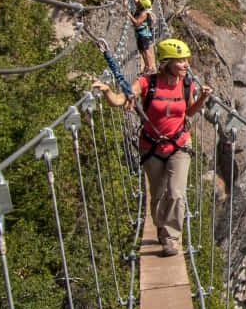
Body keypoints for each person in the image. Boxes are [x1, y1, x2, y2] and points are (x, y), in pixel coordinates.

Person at [91, 38, 213, 256]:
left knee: (176, 193)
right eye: (181, 61)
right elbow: (120, 100)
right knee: (157, 195)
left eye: (186, 60)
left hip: (179, 144)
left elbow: (189, 113)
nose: (186, 65)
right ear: (167, 62)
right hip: (151, 146)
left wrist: (202, 97)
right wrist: (107, 91)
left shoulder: (187, 85)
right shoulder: (148, 83)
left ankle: (170, 238)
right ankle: (160, 226)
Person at [131, 0, 155, 72]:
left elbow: (136, 23)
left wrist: (129, 15)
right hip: (141, 34)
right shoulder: (141, 11)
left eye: (140, 3)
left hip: (143, 34)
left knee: (146, 51)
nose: (138, 4)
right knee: (142, 51)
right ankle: (147, 66)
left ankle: (150, 66)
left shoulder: (144, 14)